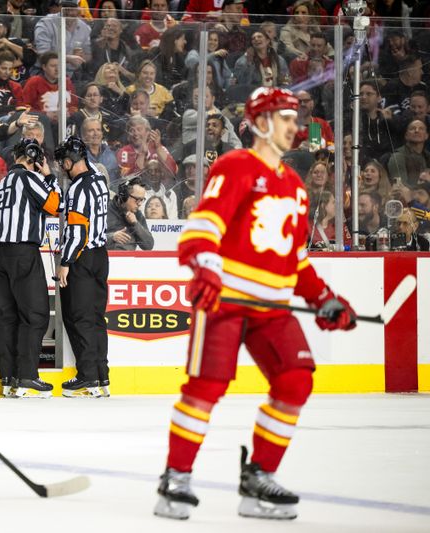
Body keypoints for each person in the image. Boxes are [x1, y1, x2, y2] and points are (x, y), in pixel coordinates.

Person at [154, 87, 357, 521]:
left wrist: (323, 299)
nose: (293, 126)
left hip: (272, 309)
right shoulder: (236, 166)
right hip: (226, 301)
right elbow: (203, 226)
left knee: (296, 380)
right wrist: (206, 270)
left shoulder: (296, 187)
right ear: (261, 122)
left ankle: (260, 476)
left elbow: (295, 258)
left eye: (293, 119)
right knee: (207, 387)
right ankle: (176, 477)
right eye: (285, 118)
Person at [0, 138, 62, 399]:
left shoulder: (3, 182)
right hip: (22, 251)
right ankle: (28, 377)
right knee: (35, 314)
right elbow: (56, 206)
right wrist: (50, 176)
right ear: (33, 157)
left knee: (7, 316)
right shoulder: (29, 178)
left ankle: (9, 379)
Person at [54, 136, 110, 398]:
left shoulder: (77, 189)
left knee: (80, 317)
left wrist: (66, 262)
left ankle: (87, 377)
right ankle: (101, 376)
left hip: (81, 257)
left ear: (68, 161)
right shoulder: (99, 179)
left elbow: (77, 230)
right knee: (96, 317)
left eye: (62, 162)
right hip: (100, 256)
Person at [106, 176, 154, 251]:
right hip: (106, 259)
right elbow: (89, 239)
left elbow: (149, 245)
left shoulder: (137, 215)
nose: (140, 204)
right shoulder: (104, 211)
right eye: (137, 199)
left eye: (142, 200)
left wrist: (135, 224)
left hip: (129, 261)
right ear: (124, 196)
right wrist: (111, 237)